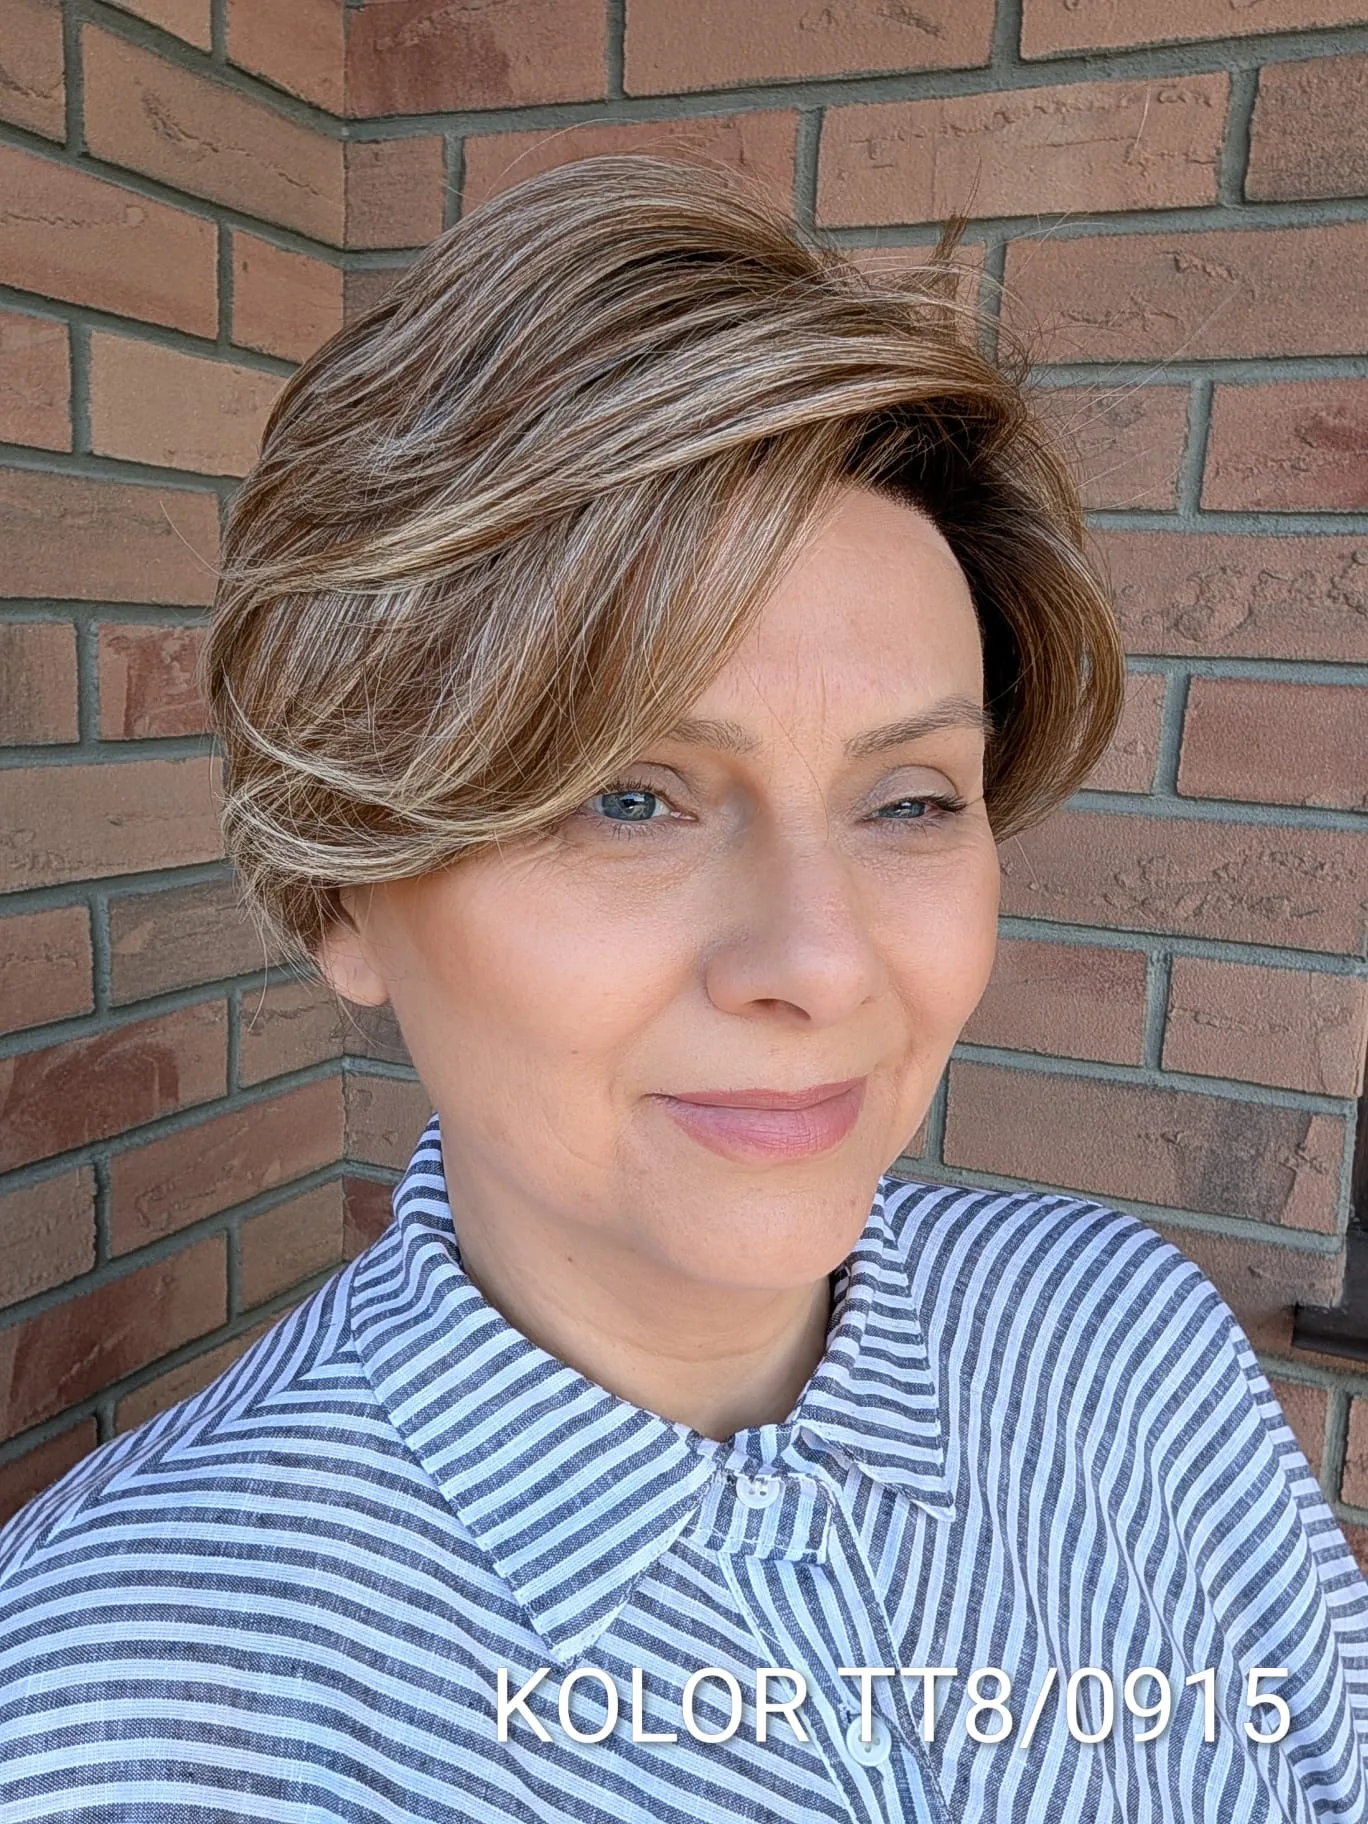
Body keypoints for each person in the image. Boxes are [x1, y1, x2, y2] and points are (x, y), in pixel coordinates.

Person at [1, 156, 1364, 1824]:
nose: (822, 960)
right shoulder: (104, 1709)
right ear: (342, 885)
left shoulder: (1130, 1350)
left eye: (911, 800)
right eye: (628, 798)